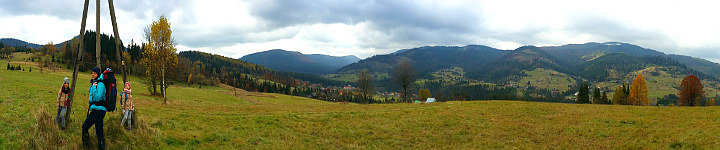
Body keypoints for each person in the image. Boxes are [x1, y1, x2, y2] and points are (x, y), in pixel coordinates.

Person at [82, 67, 106, 149]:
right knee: (84, 127)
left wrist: (94, 88)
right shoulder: (94, 83)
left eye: (94, 73)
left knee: (99, 131)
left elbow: (97, 98)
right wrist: (93, 87)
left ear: (98, 74)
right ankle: (86, 146)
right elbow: (91, 99)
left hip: (99, 110)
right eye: (92, 73)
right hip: (95, 109)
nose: (92, 74)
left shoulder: (100, 84)